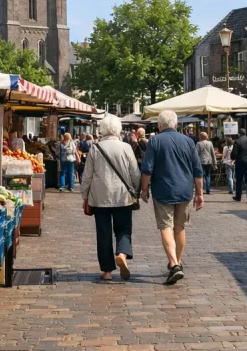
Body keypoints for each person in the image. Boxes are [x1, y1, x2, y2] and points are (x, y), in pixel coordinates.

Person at [140, 110, 203, 285]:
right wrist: (199, 194)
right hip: (185, 190)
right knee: (180, 227)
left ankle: (174, 264)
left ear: (159, 125)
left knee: (166, 227)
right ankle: (178, 262)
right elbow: (197, 170)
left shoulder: (155, 141)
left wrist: (144, 189)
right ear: (176, 124)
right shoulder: (188, 141)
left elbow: (147, 169)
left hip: (163, 190)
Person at [81, 115, 140, 281]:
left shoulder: (95, 148)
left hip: (100, 197)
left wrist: (85, 195)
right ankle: (122, 253)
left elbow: (87, 176)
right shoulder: (126, 147)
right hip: (122, 196)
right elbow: (135, 173)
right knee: (124, 229)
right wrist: (136, 190)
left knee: (103, 233)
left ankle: (107, 271)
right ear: (118, 129)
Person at [230, 129, 247, 203]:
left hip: (240, 162)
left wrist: (232, 157)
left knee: (239, 180)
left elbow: (234, 153)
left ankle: (238, 197)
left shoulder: (237, 141)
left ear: (239, 134)